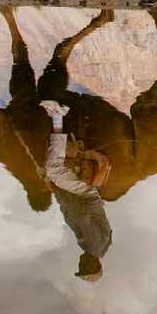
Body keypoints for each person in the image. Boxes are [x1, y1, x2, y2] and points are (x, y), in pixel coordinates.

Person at [41, 99, 113, 281]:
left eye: (80, 268)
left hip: (82, 197)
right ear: (94, 265)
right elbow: (82, 216)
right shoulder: (93, 246)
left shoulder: (96, 248)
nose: (80, 264)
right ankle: (58, 116)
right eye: (84, 267)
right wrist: (62, 192)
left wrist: (59, 195)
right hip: (83, 194)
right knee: (53, 170)